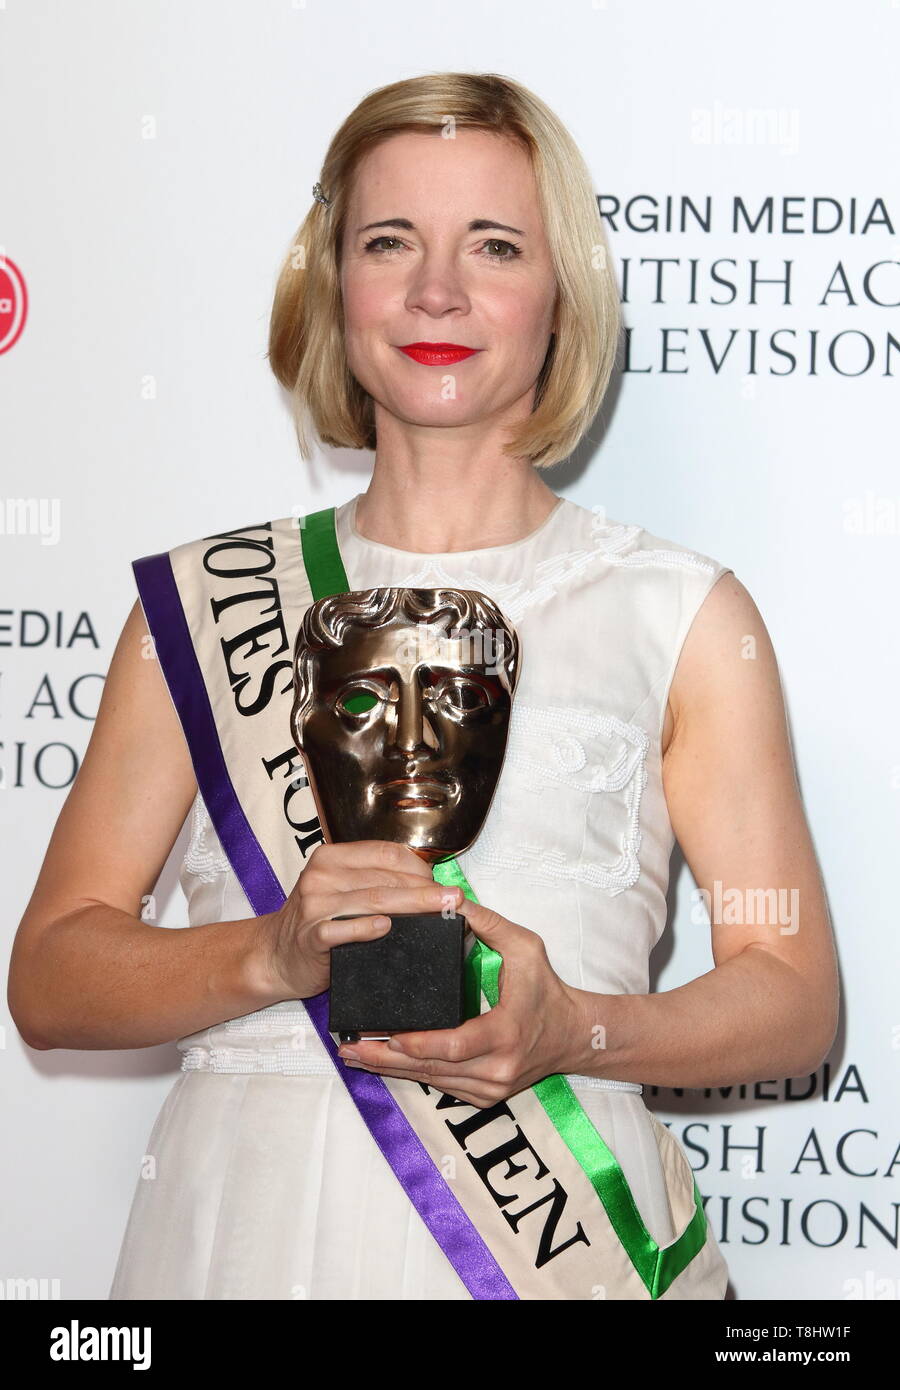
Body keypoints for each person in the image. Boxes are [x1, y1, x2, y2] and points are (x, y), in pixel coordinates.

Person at [8, 71, 839, 1301]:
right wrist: (271, 953)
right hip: (239, 1235)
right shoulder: (199, 603)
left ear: (562, 293)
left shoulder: (683, 612)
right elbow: (52, 978)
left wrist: (579, 1030)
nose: (436, 290)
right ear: (330, 282)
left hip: (555, 1246)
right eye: (388, 241)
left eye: (493, 246)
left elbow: (793, 996)